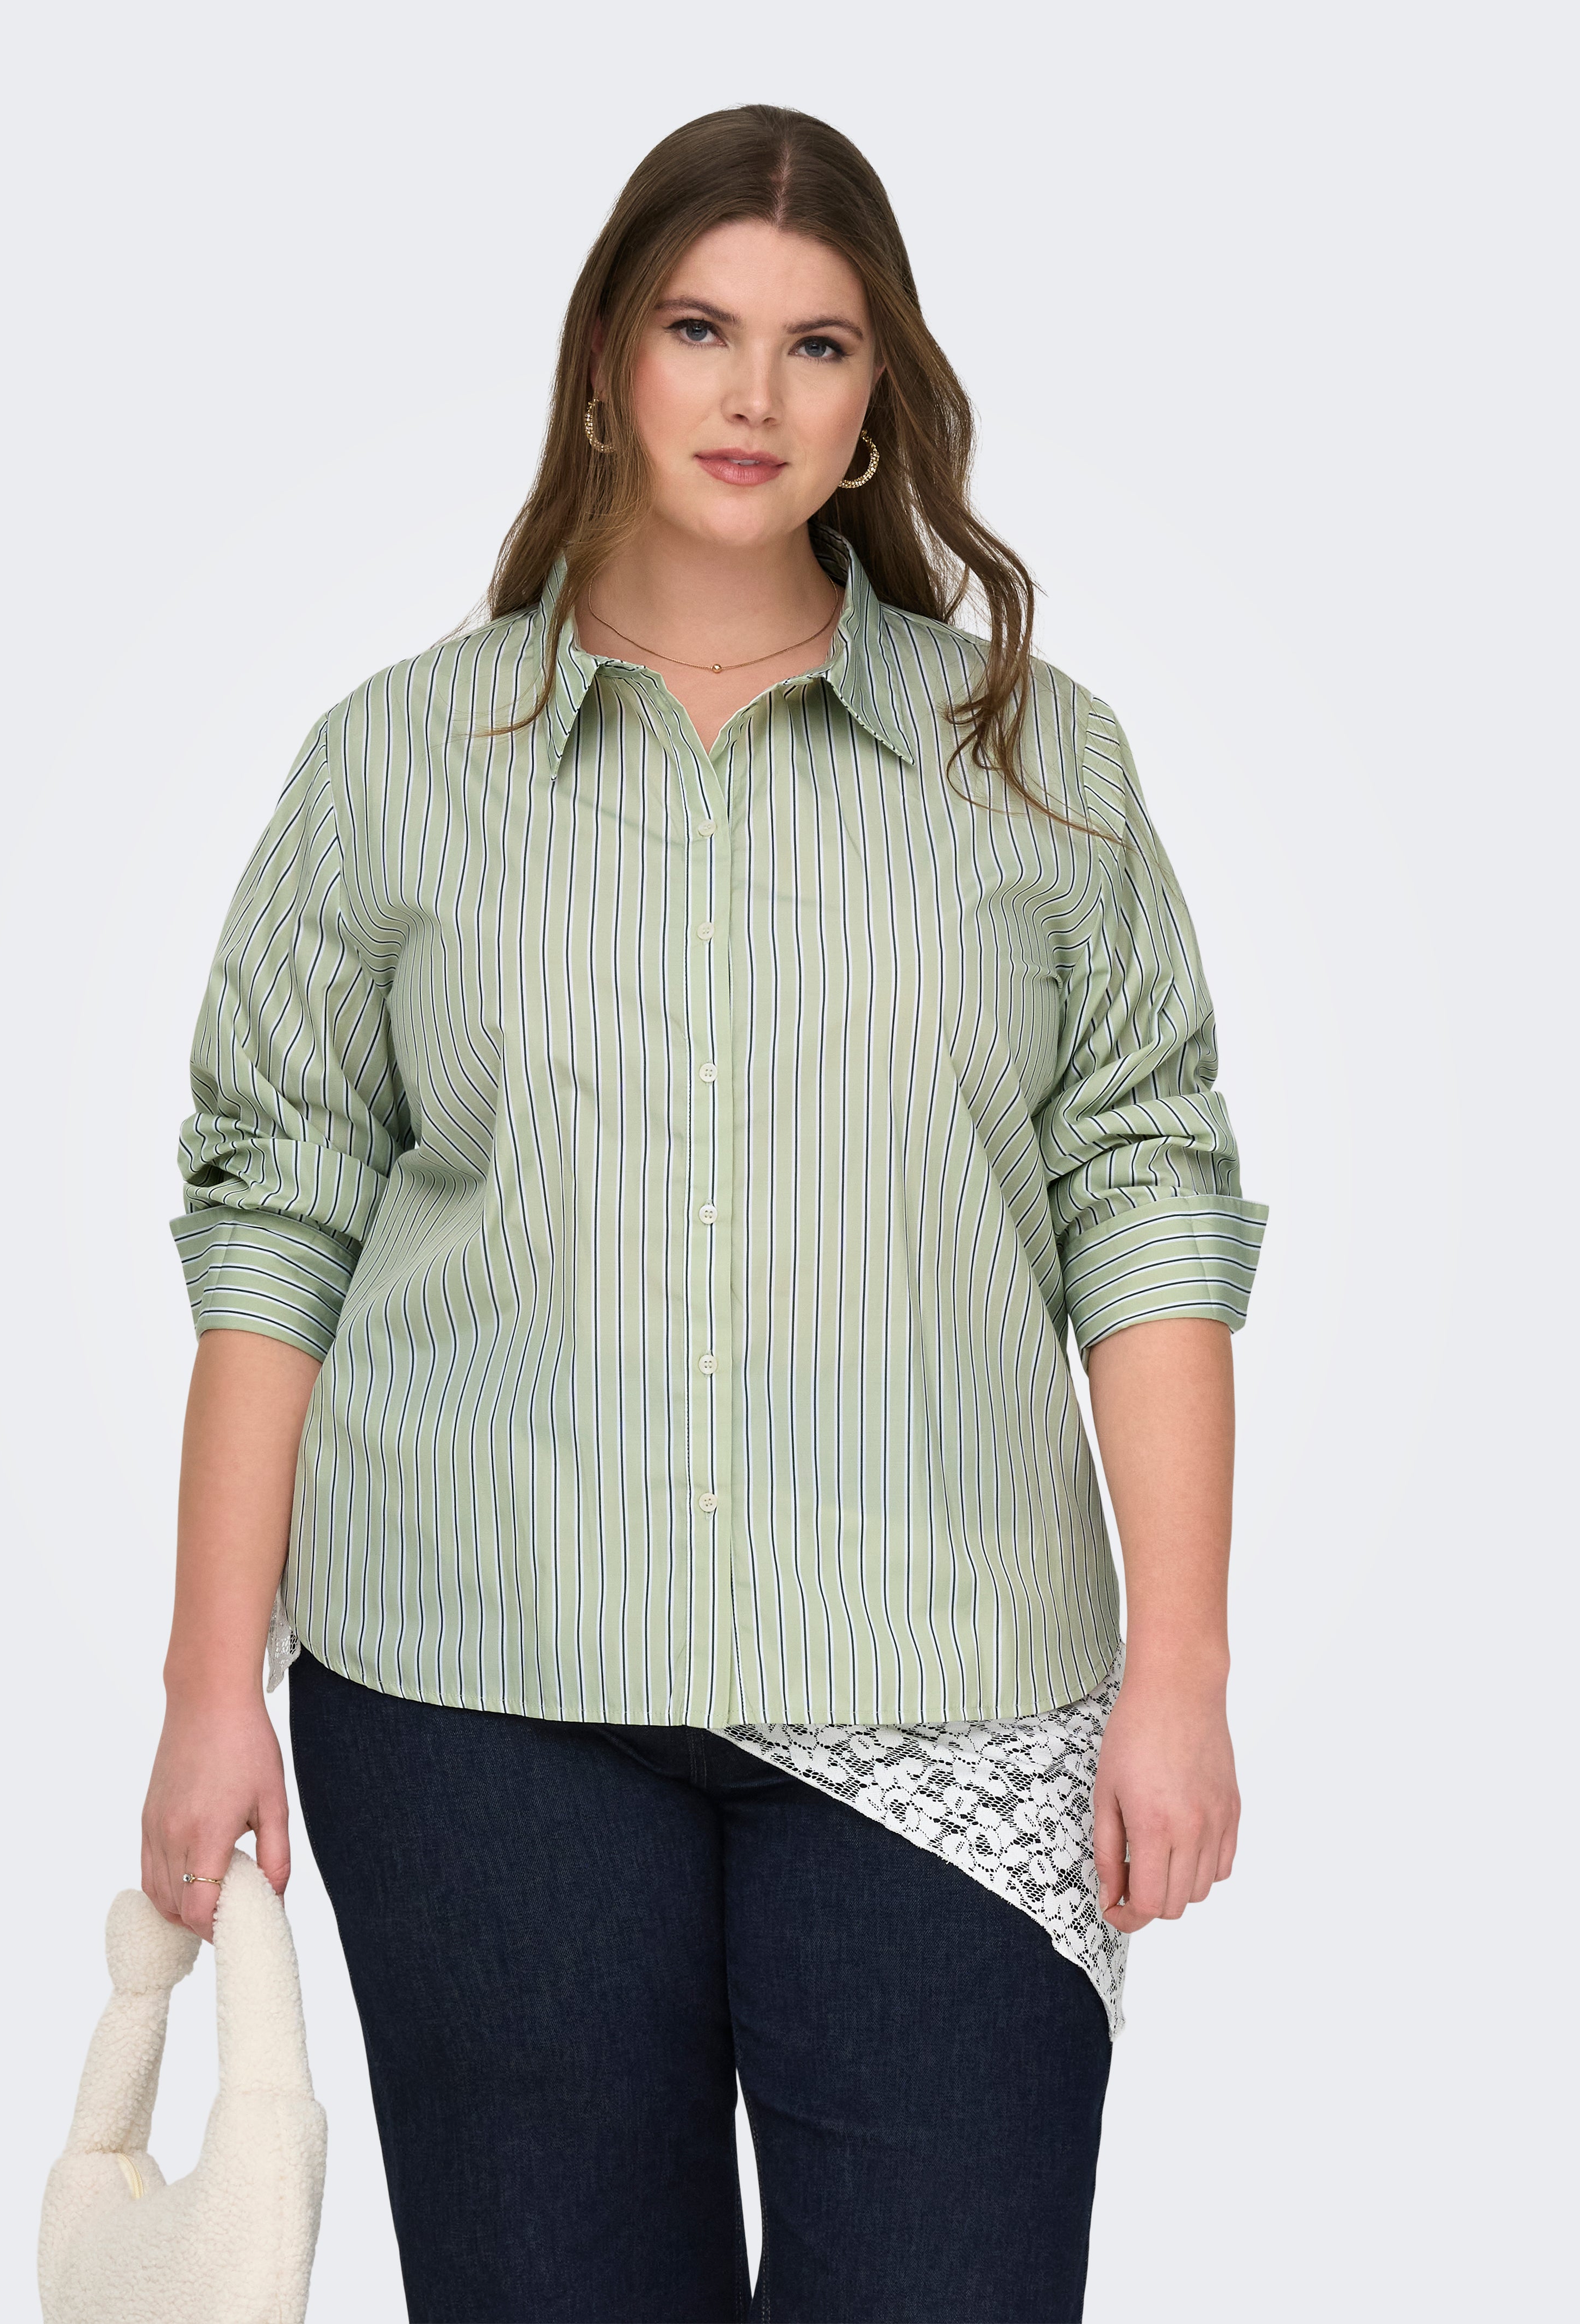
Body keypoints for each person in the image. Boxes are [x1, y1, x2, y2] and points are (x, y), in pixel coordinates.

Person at [141, 103, 1268, 2324]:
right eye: (697, 328)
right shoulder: (396, 765)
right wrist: (204, 1689)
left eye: (815, 344)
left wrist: (1181, 1668)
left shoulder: (1032, 763)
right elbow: (278, 1215)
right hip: (472, 1693)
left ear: (874, 400)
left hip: (950, 1690)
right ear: (605, 360)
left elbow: (1142, 1188)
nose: (753, 393)